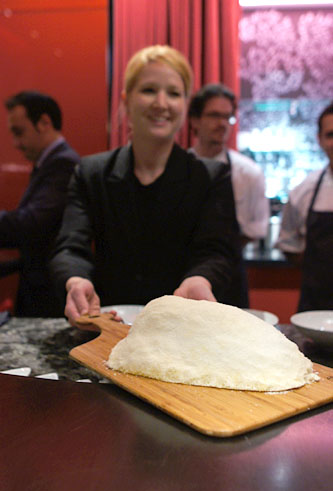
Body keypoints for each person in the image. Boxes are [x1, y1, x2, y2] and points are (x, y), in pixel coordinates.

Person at [50, 45, 242, 326]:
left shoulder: (210, 176)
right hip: (109, 326)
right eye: (149, 90)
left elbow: (217, 251)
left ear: (186, 104)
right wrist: (75, 280)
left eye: (174, 93)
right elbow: (70, 247)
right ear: (126, 100)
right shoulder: (92, 172)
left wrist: (200, 279)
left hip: (183, 328)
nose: (161, 103)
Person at [188, 83, 270, 307]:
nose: (222, 124)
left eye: (228, 117)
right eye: (214, 115)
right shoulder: (178, 170)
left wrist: (222, 246)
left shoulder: (249, 172)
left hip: (231, 274)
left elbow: (257, 228)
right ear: (195, 121)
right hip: (185, 273)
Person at [1, 90, 80, 317]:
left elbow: (32, 224)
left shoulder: (63, 164)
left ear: (44, 122)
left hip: (49, 296)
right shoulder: (50, 164)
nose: (15, 143)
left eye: (19, 132)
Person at [276, 102, 333, 312]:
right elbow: (289, 245)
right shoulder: (303, 191)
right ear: (320, 140)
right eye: (331, 135)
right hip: (314, 309)